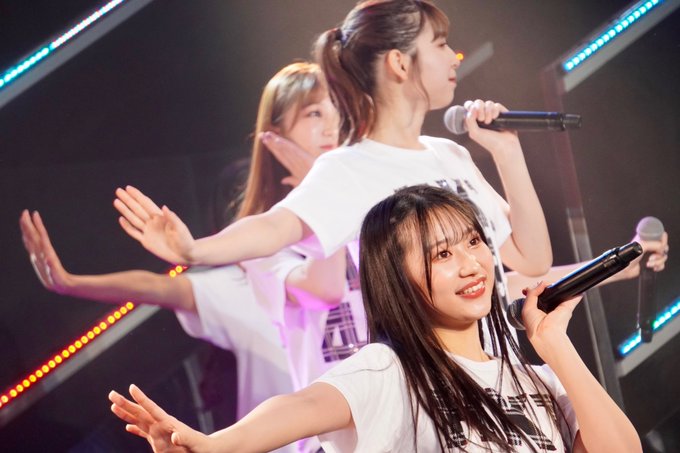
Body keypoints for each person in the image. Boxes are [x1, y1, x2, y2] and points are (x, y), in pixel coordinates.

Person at [113, 0, 553, 326]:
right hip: (435, 392)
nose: (452, 55)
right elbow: (275, 226)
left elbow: (531, 258)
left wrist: (507, 152)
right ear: (399, 63)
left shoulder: (451, 154)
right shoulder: (350, 168)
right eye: (439, 44)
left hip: (501, 376)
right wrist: (195, 250)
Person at [109, 185, 643, 452]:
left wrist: (555, 345)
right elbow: (301, 406)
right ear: (397, 279)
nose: (471, 264)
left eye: (473, 242)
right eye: (442, 254)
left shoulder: (540, 381)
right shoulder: (389, 372)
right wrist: (216, 446)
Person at [20, 62, 345, 452]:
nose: (331, 127)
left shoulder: (368, 216)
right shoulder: (259, 258)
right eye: (314, 113)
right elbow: (159, 287)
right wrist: (69, 282)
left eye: (337, 110)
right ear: (274, 135)